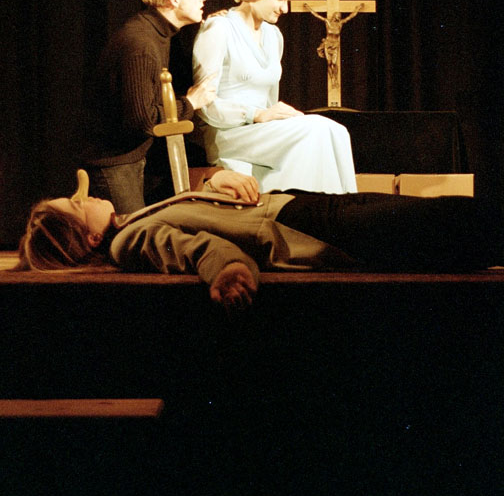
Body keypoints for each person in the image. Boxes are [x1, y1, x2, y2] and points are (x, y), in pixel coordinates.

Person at [18, 169, 502, 310]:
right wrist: (230, 273)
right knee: (452, 224)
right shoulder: (130, 241)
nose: (82, 197)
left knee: (444, 220)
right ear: (88, 236)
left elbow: (198, 218)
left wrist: (216, 181)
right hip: (311, 230)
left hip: (304, 210)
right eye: (75, 204)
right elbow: (200, 249)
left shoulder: (133, 222)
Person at [192, 0, 357, 194]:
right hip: (228, 134)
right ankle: (310, 206)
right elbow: (205, 105)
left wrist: (274, 117)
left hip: (261, 132)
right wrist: (256, 114)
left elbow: (270, 102)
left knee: (337, 131)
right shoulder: (218, 29)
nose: (285, 8)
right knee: (316, 131)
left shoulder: (274, 36)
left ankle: (339, 207)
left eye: (287, 0)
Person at [83, 0, 216, 214]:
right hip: (113, 162)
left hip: (129, 158)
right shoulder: (141, 43)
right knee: (132, 233)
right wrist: (191, 103)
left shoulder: (154, 34)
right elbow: (143, 121)